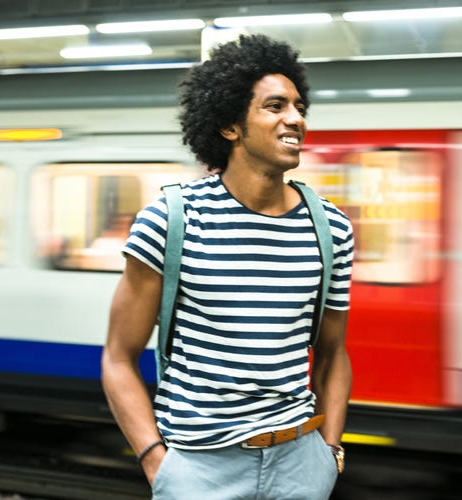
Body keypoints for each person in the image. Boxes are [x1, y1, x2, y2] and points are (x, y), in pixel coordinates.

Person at [101, 34, 354, 500]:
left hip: (300, 464)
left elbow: (334, 352)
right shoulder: (172, 219)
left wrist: (330, 452)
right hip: (200, 469)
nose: (295, 119)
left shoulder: (330, 227)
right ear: (229, 126)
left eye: (299, 107)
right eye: (275, 106)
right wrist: (159, 463)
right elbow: (118, 355)